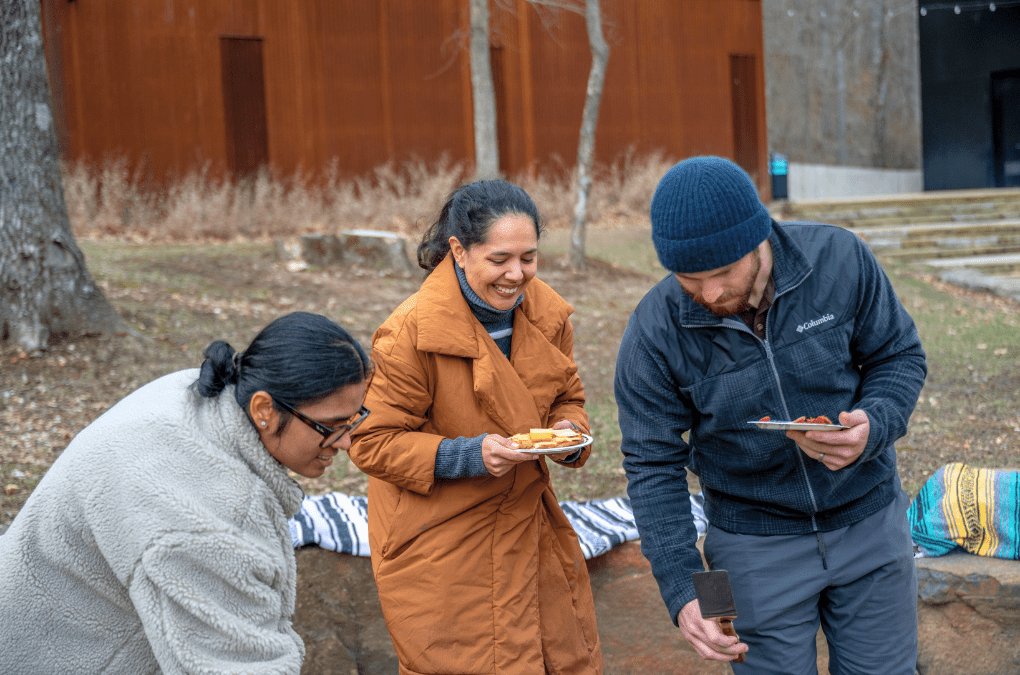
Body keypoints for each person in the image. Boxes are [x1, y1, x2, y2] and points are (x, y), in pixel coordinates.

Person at [614, 156, 927, 674]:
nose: (710, 294)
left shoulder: (839, 258)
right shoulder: (653, 330)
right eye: (690, 279)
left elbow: (898, 355)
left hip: (870, 521)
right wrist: (683, 589)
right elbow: (652, 466)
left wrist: (875, 424)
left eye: (723, 273)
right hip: (748, 545)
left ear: (759, 238)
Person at [0, 311, 374, 675]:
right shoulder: (208, 515)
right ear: (264, 409)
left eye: (354, 420)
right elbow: (237, 665)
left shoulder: (200, 391)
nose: (346, 442)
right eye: (331, 426)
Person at [349, 180, 603, 675]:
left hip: (529, 522)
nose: (516, 274)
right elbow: (371, 442)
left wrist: (568, 437)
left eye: (528, 258)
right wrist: (466, 455)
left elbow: (568, 397)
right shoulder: (409, 334)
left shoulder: (547, 314)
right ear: (459, 251)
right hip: (441, 540)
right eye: (500, 259)